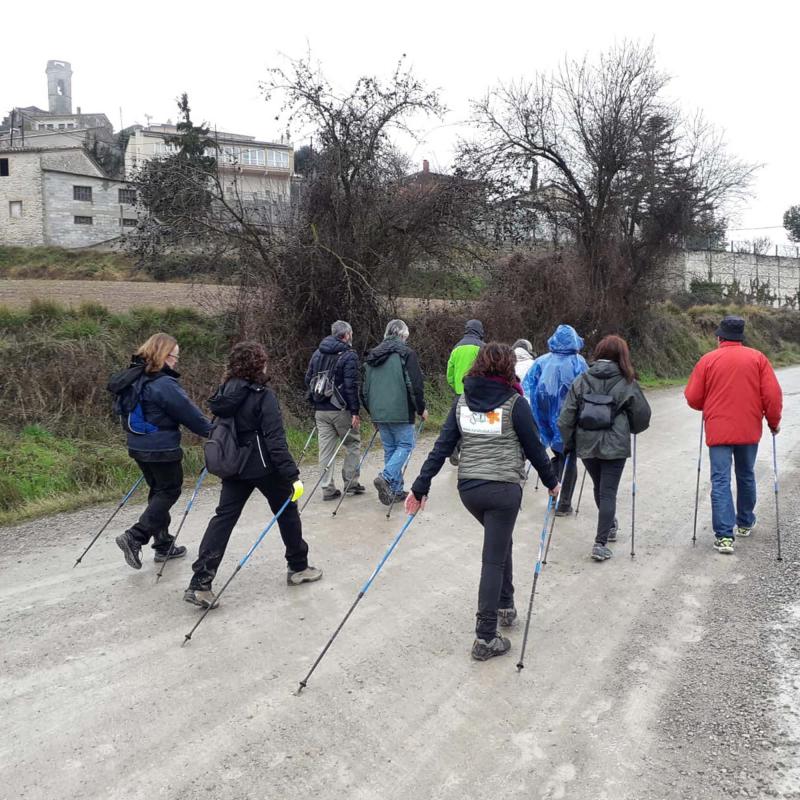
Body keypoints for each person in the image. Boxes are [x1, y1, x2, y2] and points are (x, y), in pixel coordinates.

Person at [405, 342, 559, 661]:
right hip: (503, 491)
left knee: (499, 543)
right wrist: (552, 483)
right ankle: (486, 636)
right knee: (493, 557)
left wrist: (420, 487)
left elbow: (441, 447)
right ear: (507, 369)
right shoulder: (516, 403)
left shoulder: (463, 401)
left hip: (470, 490)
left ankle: (505, 604)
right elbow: (534, 448)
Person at [185, 342, 322, 608]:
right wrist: (292, 475)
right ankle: (298, 567)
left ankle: (200, 583)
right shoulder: (262, 395)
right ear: (258, 365)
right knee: (287, 511)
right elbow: (275, 440)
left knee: (223, 519)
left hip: (233, 466)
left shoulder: (223, 394)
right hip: (263, 467)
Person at [684, 315, 782, 555]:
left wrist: (708, 406)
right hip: (749, 429)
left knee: (720, 480)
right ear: (741, 337)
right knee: (746, 474)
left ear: (720, 337)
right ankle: (745, 522)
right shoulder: (758, 358)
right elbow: (772, 395)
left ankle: (724, 537)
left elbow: (693, 397)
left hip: (718, 431)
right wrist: (773, 422)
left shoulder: (708, 360)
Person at [113, 333, 211, 570]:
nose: (177, 361)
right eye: (175, 356)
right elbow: (189, 414)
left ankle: (163, 544)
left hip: (137, 446)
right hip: (162, 447)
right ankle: (135, 536)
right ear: (164, 356)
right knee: (169, 491)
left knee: (158, 491)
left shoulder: (133, 377)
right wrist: (214, 432)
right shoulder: (163, 384)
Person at [558, 335, 651, 562]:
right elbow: (643, 415)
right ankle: (600, 542)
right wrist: (632, 428)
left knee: (600, 487)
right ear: (622, 355)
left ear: (599, 353)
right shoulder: (627, 382)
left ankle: (608, 526)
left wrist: (569, 443)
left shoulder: (582, 379)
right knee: (607, 491)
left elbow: (566, 417)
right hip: (615, 444)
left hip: (587, 443)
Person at [523, 324, 588, 516]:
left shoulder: (542, 361)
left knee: (558, 456)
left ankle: (555, 495)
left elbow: (528, 386)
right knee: (569, 458)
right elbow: (587, 390)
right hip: (570, 420)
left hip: (545, 420)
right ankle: (564, 503)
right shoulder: (579, 362)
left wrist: (536, 413)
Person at [361, 319, 427, 506]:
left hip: (379, 412)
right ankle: (387, 477)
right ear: (403, 335)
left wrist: (372, 412)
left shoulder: (371, 356)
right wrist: (421, 408)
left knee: (391, 449)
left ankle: (396, 490)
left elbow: (364, 391)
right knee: (406, 445)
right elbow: (414, 385)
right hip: (401, 411)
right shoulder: (406, 354)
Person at [304, 320, 363, 501]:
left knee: (326, 450)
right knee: (352, 443)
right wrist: (355, 411)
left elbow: (308, 379)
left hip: (320, 410)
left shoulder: (317, 353)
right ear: (346, 335)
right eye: (350, 334)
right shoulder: (349, 355)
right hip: (341, 409)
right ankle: (351, 484)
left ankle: (327, 489)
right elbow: (350, 385)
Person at [446, 319, 485, 465]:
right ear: (480, 330)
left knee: (457, 422)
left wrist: (455, 386)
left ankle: (453, 447)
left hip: (459, 392)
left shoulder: (456, 348)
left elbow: (449, 373)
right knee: (474, 424)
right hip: (477, 393)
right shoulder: (482, 347)